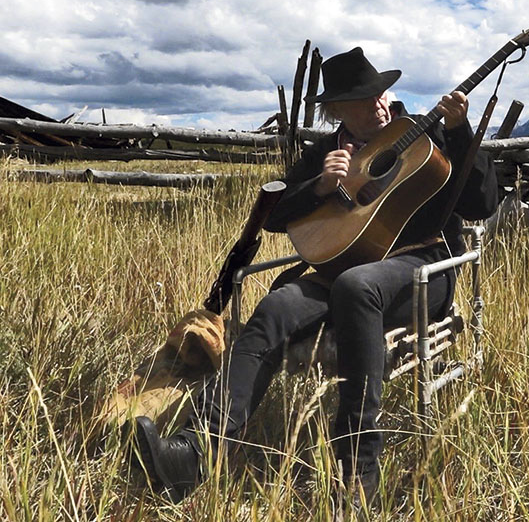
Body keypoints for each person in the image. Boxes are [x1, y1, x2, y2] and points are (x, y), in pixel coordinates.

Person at [132, 47, 499, 504]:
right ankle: (194, 452)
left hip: (421, 272)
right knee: (275, 307)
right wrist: (321, 186)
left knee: (357, 285)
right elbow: (275, 216)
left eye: (381, 94)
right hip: (339, 272)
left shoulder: (422, 134)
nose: (379, 105)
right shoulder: (325, 152)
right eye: (364, 101)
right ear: (334, 113)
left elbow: (483, 203)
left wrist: (460, 132)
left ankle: (359, 473)